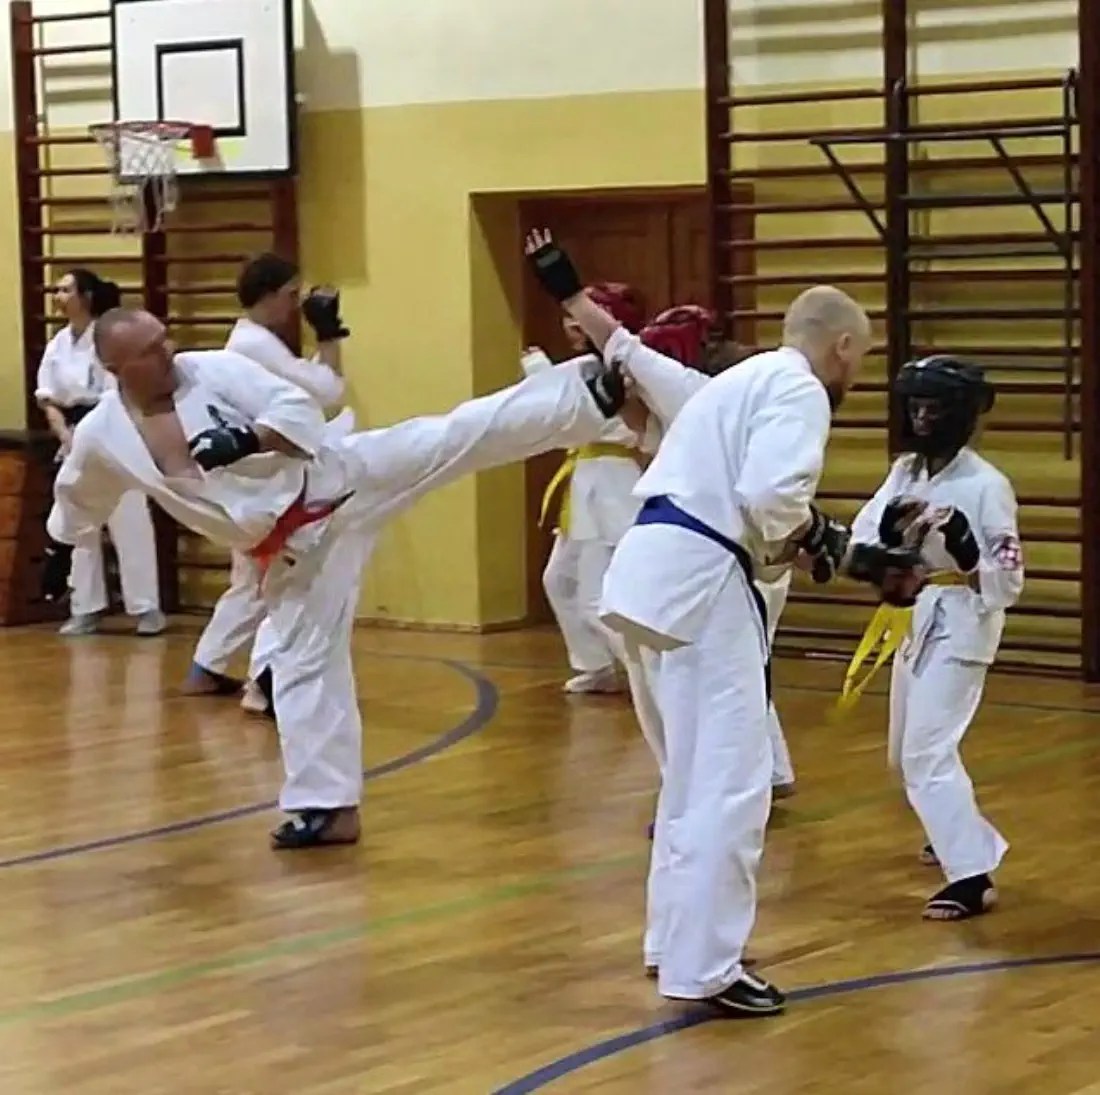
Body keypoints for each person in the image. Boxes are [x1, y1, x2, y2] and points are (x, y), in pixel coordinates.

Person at [41, 307, 633, 850]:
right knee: (301, 662)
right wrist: (57, 546)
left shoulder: (213, 370)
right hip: (294, 553)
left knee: (448, 437)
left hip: (337, 482)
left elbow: (299, 409)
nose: (168, 350)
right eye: (150, 348)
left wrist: (250, 436)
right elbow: (78, 496)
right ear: (115, 367)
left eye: (164, 337)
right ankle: (325, 808)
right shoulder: (103, 436)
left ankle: (588, 396)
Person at [524, 226, 917, 1016]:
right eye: (862, 358)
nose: (858, 374)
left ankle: (674, 943)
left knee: (689, 775)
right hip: (703, 583)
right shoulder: (799, 389)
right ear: (842, 346)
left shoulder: (738, 383)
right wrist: (827, 540)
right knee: (734, 779)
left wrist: (833, 547)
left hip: (649, 572)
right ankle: (705, 964)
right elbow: (773, 499)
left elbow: (637, 362)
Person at [846, 355, 1021, 920]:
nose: (922, 418)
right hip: (913, 617)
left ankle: (972, 876)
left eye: (934, 408)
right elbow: (862, 536)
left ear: (961, 414)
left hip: (964, 621)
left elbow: (1009, 580)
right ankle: (950, 827)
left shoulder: (987, 485)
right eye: (915, 406)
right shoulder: (905, 472)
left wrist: (967, 550)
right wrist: (889, 538)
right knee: (903, 756)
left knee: (927, 751)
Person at [629, 305, 797, 799]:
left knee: (719, 674)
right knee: (739, 668)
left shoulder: (701, 397)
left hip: (742, 551)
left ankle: (716, 783)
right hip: (738, 548)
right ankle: (768, 770)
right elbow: (645, 436)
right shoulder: (715, 401)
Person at [184, 254, 353, 709]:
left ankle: (210, 669)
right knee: (275, 579)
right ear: (272, 295)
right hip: (262, 482)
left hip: (256, 476)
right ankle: (258, 682)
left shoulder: (256, 343)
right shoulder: (254, 345)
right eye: (291, 295)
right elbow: (327, 391)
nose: (295, 306)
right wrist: (329, 335)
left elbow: (312, 390)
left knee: (255, 581)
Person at [526, 282, 649, 695]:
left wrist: (540, 375)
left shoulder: (624, 368)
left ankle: (651, 678)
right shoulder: (587, 367)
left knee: (597, 597)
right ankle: (596, 665)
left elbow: (578, 420)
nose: (571, 326)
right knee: (558, 580)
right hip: (586, 482)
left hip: (612, 486)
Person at [34, 268, 164, 637]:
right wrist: (65, 435)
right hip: (73, 436)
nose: (58, 297)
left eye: (66, 290)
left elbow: (115, 394)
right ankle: (85, 606)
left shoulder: (107, 337)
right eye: (57, 290)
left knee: (129, 518)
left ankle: (146, 607)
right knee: (79, 521)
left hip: (115, 430)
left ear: (86, 296)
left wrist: (88, 433)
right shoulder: (58, 343)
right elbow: (47, 397)